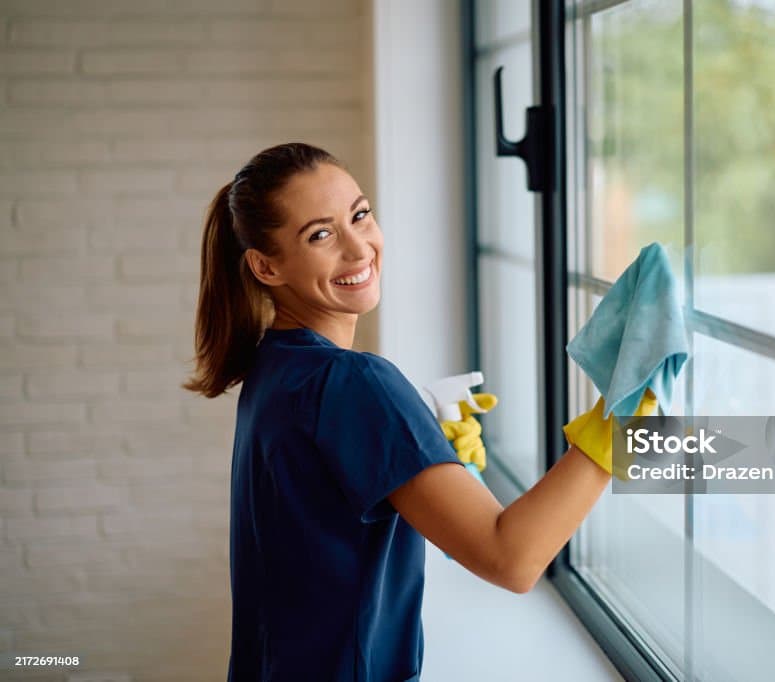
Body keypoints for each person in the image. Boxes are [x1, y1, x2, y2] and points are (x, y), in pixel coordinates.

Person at [182, 142, 656, 681]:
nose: (359, 249)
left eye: (359, 215)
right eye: (320, 235)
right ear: (266, 266)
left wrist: (421, 452)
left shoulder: (274, 369)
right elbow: (513, 560)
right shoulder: (355, 383)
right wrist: (615, 427)